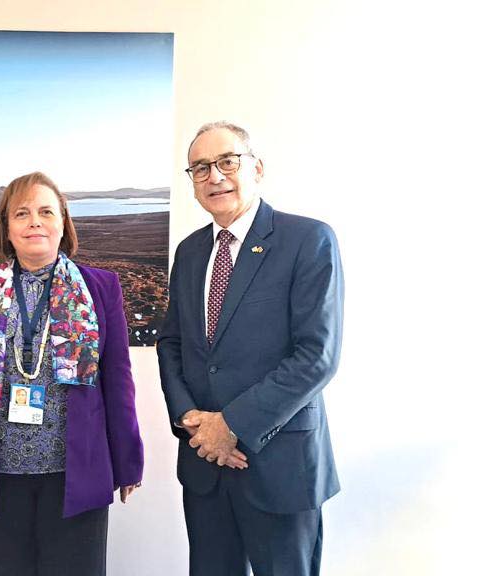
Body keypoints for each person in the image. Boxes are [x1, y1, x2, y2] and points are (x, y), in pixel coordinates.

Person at [0, 171, 144, 576]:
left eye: (46, 212)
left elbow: (118, 378)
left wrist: (128, 460)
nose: (35, 222)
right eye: (22, 213)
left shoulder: (101, 287)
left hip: (76, 469)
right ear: (6, 228)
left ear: (63, 223)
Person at [157, 122, 343, 576]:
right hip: (205, 465)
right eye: (200, 168)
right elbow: (171, 343)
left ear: (256, 167)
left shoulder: (308, 240)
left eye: (227, 161)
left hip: (279, 466)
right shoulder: (190, 252)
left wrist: (233, 425)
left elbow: (316, 356)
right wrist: (190, 420)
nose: (214, 176)